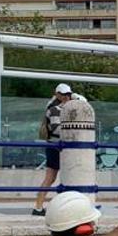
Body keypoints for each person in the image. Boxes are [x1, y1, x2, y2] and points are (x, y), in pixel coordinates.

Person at [32, 83, 79, 216]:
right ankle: (39, 207)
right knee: (51, 178)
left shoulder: (66, 109)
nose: (66, 97)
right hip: (55, 146)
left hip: (63, 147)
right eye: (63, 94)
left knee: (66, 177)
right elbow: (56, 129)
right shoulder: (54, 110)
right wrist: (74, 131)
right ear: (57, 95)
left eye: (68, 94)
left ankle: (44, 207)